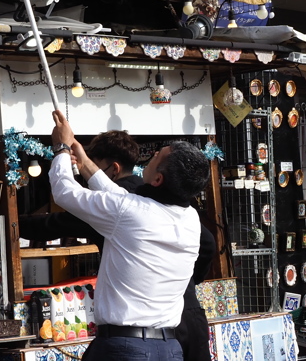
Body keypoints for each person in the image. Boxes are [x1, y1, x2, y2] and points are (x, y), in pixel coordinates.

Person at [21, 129, 215, 361]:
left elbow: (64, 192)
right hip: (168, 348)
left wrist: (61, 149)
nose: (151, 155)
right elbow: (120, 196)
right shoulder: (190, 219)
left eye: (157, 156)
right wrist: (83, 162)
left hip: (124, 347)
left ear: (158, 179)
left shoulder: (129, 211)